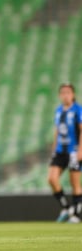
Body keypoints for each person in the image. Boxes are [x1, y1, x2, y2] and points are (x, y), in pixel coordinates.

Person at [48, 83, 82, 223]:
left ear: (73, 94)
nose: (65, 95)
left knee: (74, 183)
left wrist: (81, 150)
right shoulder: (58, 111)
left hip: (74, 151)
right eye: (62, 92)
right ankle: (66, 208)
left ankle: (75, 216)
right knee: (52, 179)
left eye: (68, 92)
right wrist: (54, 148)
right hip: (60, 151)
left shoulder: (78, 110)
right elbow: (57, 131)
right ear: (59, 95)